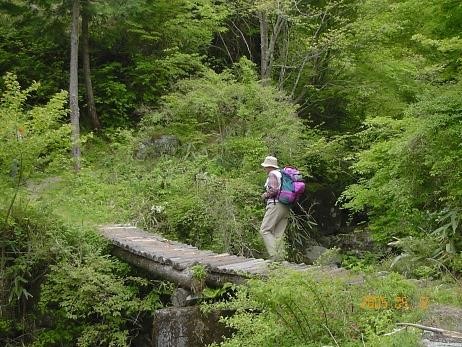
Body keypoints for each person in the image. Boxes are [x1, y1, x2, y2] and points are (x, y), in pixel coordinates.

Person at [259, 155, 290, 261]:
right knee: (278, 233)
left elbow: (274, 190)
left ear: (269, 167)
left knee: (265, 230)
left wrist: (265, 195)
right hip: (286, 206)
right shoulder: (281, 174)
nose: (264, 169)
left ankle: (274, 256)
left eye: (265, 166)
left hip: (275, 204)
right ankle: (281, 258)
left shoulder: (272, 174)